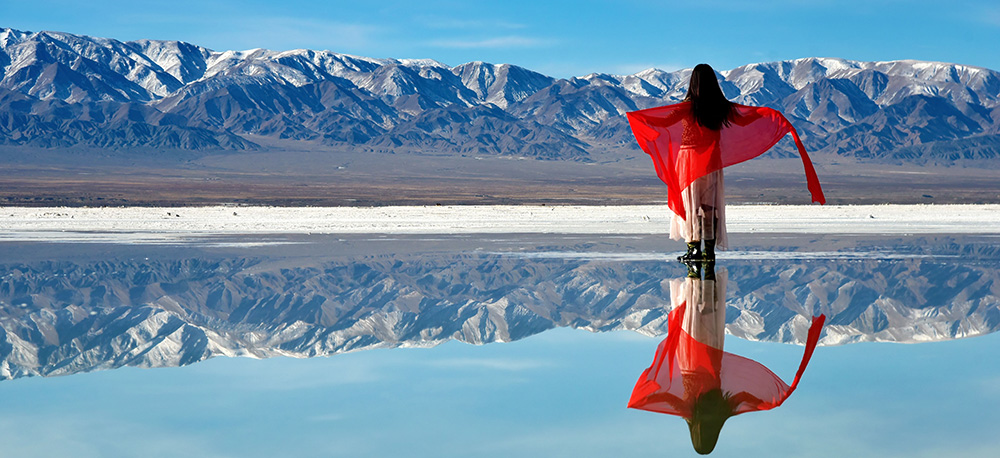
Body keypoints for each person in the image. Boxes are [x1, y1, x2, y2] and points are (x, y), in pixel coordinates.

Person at [626, 64, 826, 262]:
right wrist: (769, 114)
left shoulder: (687, 107)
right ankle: (709, 251)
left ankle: (693, 249)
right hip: (712, 161)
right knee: (710, 206)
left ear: (692, 83)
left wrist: (638, 118)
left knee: (690, 205)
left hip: (689, 160)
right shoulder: (722, 108)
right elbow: (745, 120)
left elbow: (663, 122)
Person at [627, 264, 826, 454]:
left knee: (711, 316)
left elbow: (744, 397)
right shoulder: (689, 413)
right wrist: (644, 395)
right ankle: (693, 271)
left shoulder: (724, 411)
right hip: (689, 361)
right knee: (692, 317)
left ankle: (708, 270)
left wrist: (764, 402)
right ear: (695, 436)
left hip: (713, 357)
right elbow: (666, 398)